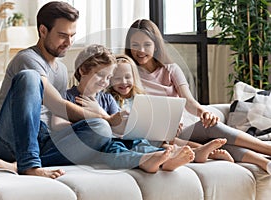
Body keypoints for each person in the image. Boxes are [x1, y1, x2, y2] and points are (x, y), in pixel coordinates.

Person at [0, 1, 121, 179]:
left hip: (44, 140)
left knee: (101, 129)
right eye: (63, 35)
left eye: (72, 35)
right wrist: (105, 117)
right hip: (9, 139)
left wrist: (103, 123)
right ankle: (29, 165)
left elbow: (57, 118)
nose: (69, 42)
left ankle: (18, 165)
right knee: (30, 77)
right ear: (43, 31)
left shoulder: (62, 70)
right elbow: (57, 105)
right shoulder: (27, 58)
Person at [124, 18, 271, 174]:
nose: (140, 50)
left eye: (146, 45)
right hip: (156, 136)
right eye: (135, 45)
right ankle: (261, 162)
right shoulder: (128, 73)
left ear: (156, 46)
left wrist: (204, 113)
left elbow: (189, 101)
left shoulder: (170, 69)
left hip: (182, 129)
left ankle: (266, 151)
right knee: (216, 143)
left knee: (211, 126)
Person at [60, 44, 195, 173]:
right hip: (92, 146)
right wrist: (91, 121)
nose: (104, 82)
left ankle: (165, 158)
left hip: (115, 140)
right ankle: (145, 161)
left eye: (108, 77)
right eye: (100, 75)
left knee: (135, 140)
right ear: (83, 70)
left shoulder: (106, 99)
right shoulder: (67, 96)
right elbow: (57, 125)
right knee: (113, 148)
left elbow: (119, 128)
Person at [107, 54, 234, 164]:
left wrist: (169, 128)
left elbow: (152, 121)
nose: (123, 82)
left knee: (172, 140)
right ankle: (205, 152)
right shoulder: (110, 100)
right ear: (110, 80)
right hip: (131, 140)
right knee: (163, 144)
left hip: (151, 137)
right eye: (117, 78)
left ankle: (206, 151)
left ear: (134, 78)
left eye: (127, 77)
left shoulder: (141, 98)